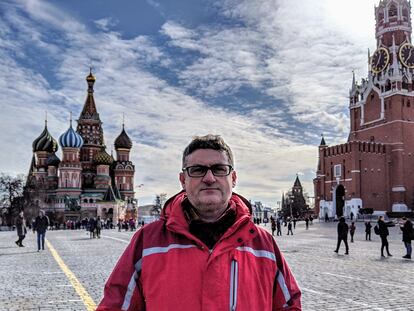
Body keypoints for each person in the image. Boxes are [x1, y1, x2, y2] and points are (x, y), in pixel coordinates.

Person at [97, 134, 301, 310]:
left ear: (234, 178)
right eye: (197, 170)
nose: (210, 178)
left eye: (220, 169)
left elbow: (288, 305)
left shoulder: (262, 244)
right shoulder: (148, 243)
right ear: (182, 180)